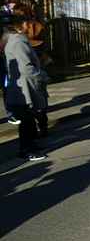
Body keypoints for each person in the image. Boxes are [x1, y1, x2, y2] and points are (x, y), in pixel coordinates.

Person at [4, 12, 49, 160]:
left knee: (28, 118)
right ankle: (26, 149)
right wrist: (40, 76)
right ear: (22, 25)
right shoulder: (18, 41)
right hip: (24, 86)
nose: (30, 26)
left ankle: (31, 145)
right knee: (26, 120)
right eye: (28, 24)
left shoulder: (17, 39)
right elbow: (26, 67)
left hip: (23, 85)